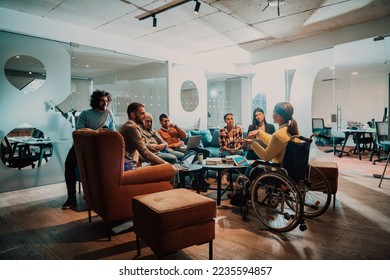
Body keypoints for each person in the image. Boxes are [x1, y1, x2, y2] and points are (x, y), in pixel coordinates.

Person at [62, 90, 115, 210]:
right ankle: (71, 199)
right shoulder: (85, 114)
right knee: (69, 165)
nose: (105, 103)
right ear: (95, 100)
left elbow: (113, 131)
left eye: (106, 101)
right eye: (102, 100)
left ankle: (95, 196)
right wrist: (97, 132)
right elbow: (79, 131)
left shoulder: (109, 113)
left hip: (99, 147)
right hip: (81, 146)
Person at [119, 103, 178, 171]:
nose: (144, 116)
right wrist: (165, 164)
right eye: (142, 113)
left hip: (128, 162)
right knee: (169, 167)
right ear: (133, 115)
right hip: (126, 166)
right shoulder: (131, 127)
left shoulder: (130, 126)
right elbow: (145, 153)